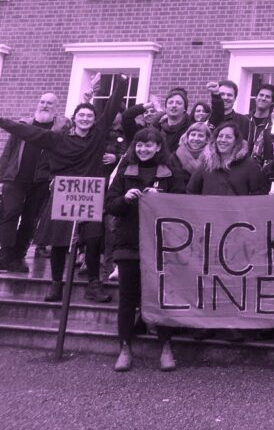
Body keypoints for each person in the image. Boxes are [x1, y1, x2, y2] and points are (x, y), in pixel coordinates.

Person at [2, 75, 128, 303]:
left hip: (90, 193)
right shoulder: (58, 140)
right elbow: (28, 132)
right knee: (60, 241)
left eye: (90, 116)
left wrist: (120, 83)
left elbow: (109, 110)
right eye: (82, 115)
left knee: (91, 240)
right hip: (63, 193)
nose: (86, 118)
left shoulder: (97, 137)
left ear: (93, 120)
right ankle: (56, 285)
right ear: (75, 119)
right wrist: (2, 121)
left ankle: (93, 284)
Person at [104, 128, 187, 372]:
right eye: (139, 145)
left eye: (149, 145)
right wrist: (125, 198)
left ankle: (166, 347)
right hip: (128, 243)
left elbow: (182, 203)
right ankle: (125, 348)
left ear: (158, 147)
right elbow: (110, 204)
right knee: (128, 299)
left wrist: (161, 198)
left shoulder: (171, 171)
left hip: (161, 244)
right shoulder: (125, 170)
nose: (143, 149)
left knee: (161, 297)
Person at [0, 92, 68, 273]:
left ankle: (18, 256)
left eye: (49, 103)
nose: (44, 105)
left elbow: (74, 122)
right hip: (15, 177)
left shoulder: (59, 129)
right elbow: (8, 151)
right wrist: (1, 176)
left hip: (41, 180)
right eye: (42, 102)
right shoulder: (23, 124)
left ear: (56, 108)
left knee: (30, 220)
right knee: (10, 212)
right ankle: (5, 255)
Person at [186, 123, 268, 195]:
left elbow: (258, 194)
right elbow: (191, 191)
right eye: (220, 136)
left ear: (236, 141)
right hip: (209, 212)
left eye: (228, 137)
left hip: (236, 212)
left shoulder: (250, 165)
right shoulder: (206, 163)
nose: (223, 140)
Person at [174, 122, 210, 187]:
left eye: (201, 136)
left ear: (207, 140)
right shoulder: (174, 157)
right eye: (193, 135)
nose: (196, 139)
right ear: (187, 137)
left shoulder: (212, 159)